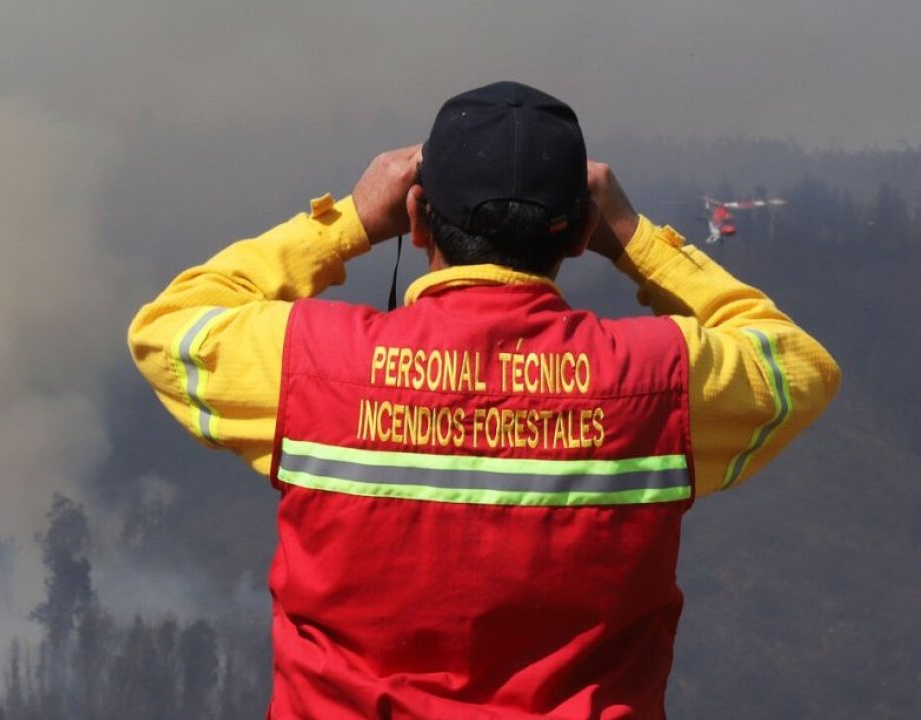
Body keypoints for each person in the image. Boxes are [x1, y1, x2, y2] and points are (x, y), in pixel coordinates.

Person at [128, 81, 840, 719]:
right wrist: (636, 240)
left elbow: (168, 329)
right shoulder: (656, 381)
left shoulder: (313, 366)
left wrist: (344, 222)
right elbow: (798, 367)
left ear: (417, 217)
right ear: (580, 229)